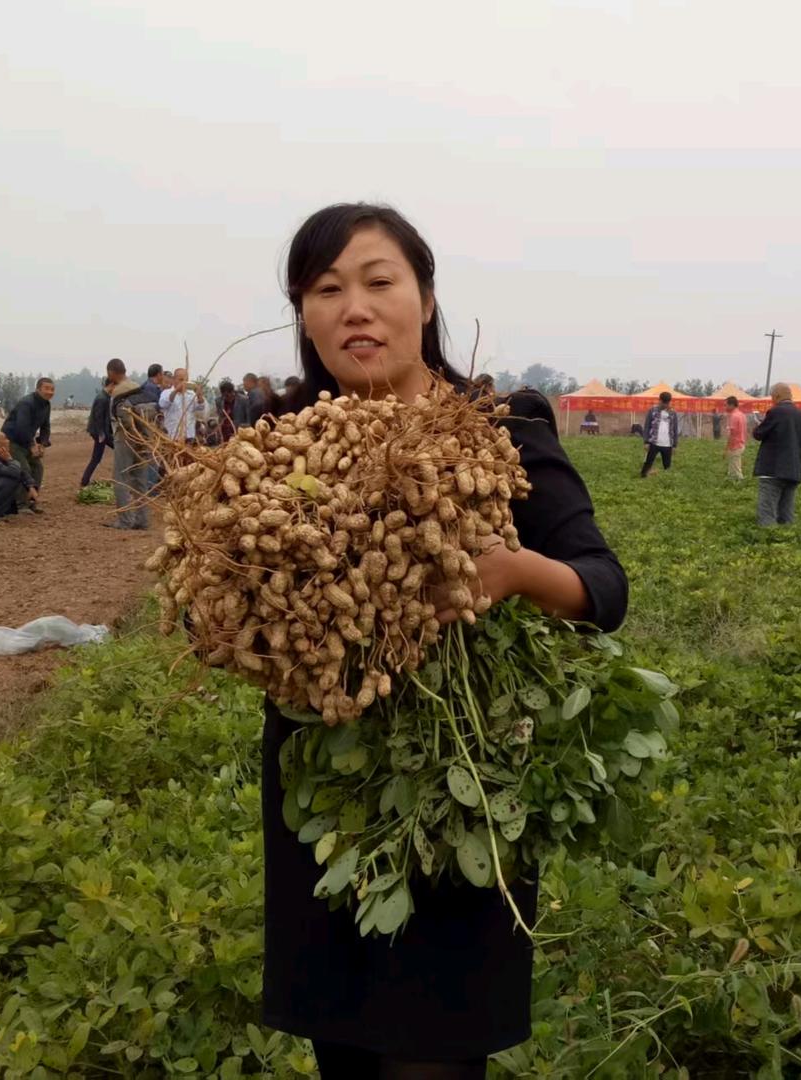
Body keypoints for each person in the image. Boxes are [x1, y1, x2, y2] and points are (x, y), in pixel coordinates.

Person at [258, 203, 628, 1080]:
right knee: (343, 1050)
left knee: (435, 1055)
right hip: (327, 792)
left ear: (424, 299)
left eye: (379, 281)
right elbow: (234, 624)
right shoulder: (281, 444)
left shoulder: (499, 426)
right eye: (327, 289)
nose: (355, 306)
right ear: (302, 314)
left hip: (462, 785)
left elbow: (603, 587)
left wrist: (512, 571)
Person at [752, 382, 801, 526]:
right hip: (793, 469)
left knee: (767, 512)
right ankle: (787, 541)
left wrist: (757, 425)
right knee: (786, 512)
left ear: (777, 396)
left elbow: (759, 434)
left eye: (772, 397)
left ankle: (769, 543)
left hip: (773, 469)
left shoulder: (775, 412)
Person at [105, 359, 157, 530]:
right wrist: (143, 438)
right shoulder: (137, 386)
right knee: (140, 480)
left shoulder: (118, 391)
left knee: (121, 478)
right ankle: (142, 520)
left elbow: (122, 417)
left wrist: (132, 435)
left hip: (126, 437)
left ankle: (125, 520)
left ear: (111, 373)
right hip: (144, 439)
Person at [1, 377, 53, 512]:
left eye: (52, 389)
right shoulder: (27, 403)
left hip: (26, 439)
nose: (50, 392)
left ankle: (32, 501)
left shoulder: (46, 405)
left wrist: (42, 443)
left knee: (38, 468)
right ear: (38, 389)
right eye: (46, 389)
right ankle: (20, 505)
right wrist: (31, 444)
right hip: (13, 440)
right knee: (23, 469)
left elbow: (46, 427)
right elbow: (21, 427)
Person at [81, 377, 114, 488]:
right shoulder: (102, 398)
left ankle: (85, 481)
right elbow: (98, 417)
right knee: (97, 457)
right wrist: (101, 434)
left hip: (102, 432)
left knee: (96, 458)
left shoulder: (105, 397)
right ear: (111, 385)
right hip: (100, 432)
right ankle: (84, 481)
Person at [159, 368, 206, 444]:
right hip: (173, 436)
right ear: (174, 379)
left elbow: (201, 407)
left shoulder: (191, 394)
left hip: (189, 436)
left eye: (185, 380)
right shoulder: (166, 393)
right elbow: (163, 404)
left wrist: (200, 395)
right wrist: (176, 390)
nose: (184, 382)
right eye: (181, 380)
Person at [639, 391, 679, 476]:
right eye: (663, 402)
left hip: (667, 444)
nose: (665, 405)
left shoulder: (673, 413)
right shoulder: (652, 410)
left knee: (667, 467)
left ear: (669, 402)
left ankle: (666, 483)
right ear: (659, 400)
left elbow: (675, 429)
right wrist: (646, 442)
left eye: (667, 403)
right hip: (654, 442)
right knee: (647, 465)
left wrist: (674, 445)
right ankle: (644, 478)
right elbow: (647, 426)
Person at [724, 395, 747, 480]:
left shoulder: (734, 416)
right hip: (741, 444)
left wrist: (727, 448)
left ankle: (740, 485)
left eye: (726, 405)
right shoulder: (742, 415)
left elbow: (732, 434)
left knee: (736, 470)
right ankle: (731, 484)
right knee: (732, 468)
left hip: (735, 445)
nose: (725, 407)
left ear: (732, 405)